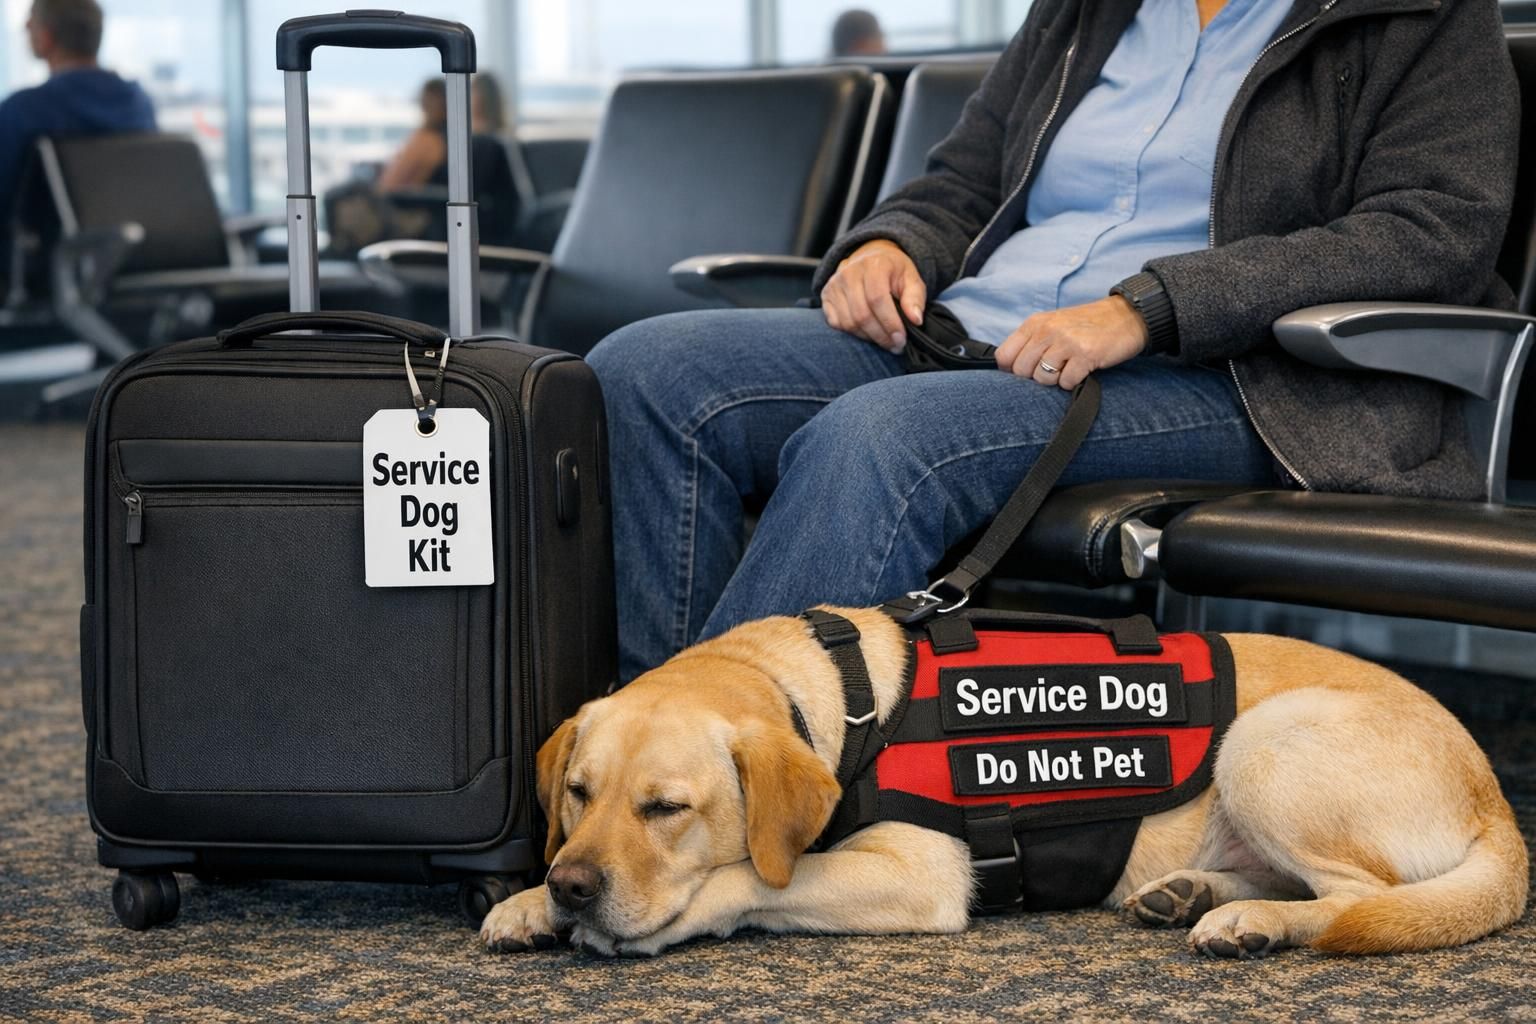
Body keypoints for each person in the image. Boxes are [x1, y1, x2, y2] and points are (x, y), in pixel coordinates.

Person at [588, 0, 1519, 683]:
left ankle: (717, 785)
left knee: (883, 438)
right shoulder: (1084, 11)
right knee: (646, 372)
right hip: (972, 335)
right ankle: (642, 765)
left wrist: (1152, 306)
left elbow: (1431, 230)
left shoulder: (1418, 15)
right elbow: (964, 180)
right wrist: (890, 243)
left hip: (1229, 376)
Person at [0, 0, 156, 226]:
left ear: (46, 37)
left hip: (44, 246)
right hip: (133, 243)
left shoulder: (23, 110)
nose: (25, 28)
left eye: (30, 22)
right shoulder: (139, 104)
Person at [377, 79, 448, 193]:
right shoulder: (435, 138)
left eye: (429, 101)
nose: (424, 105)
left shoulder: (429, 140)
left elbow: (393, 183)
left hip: (399, 200)